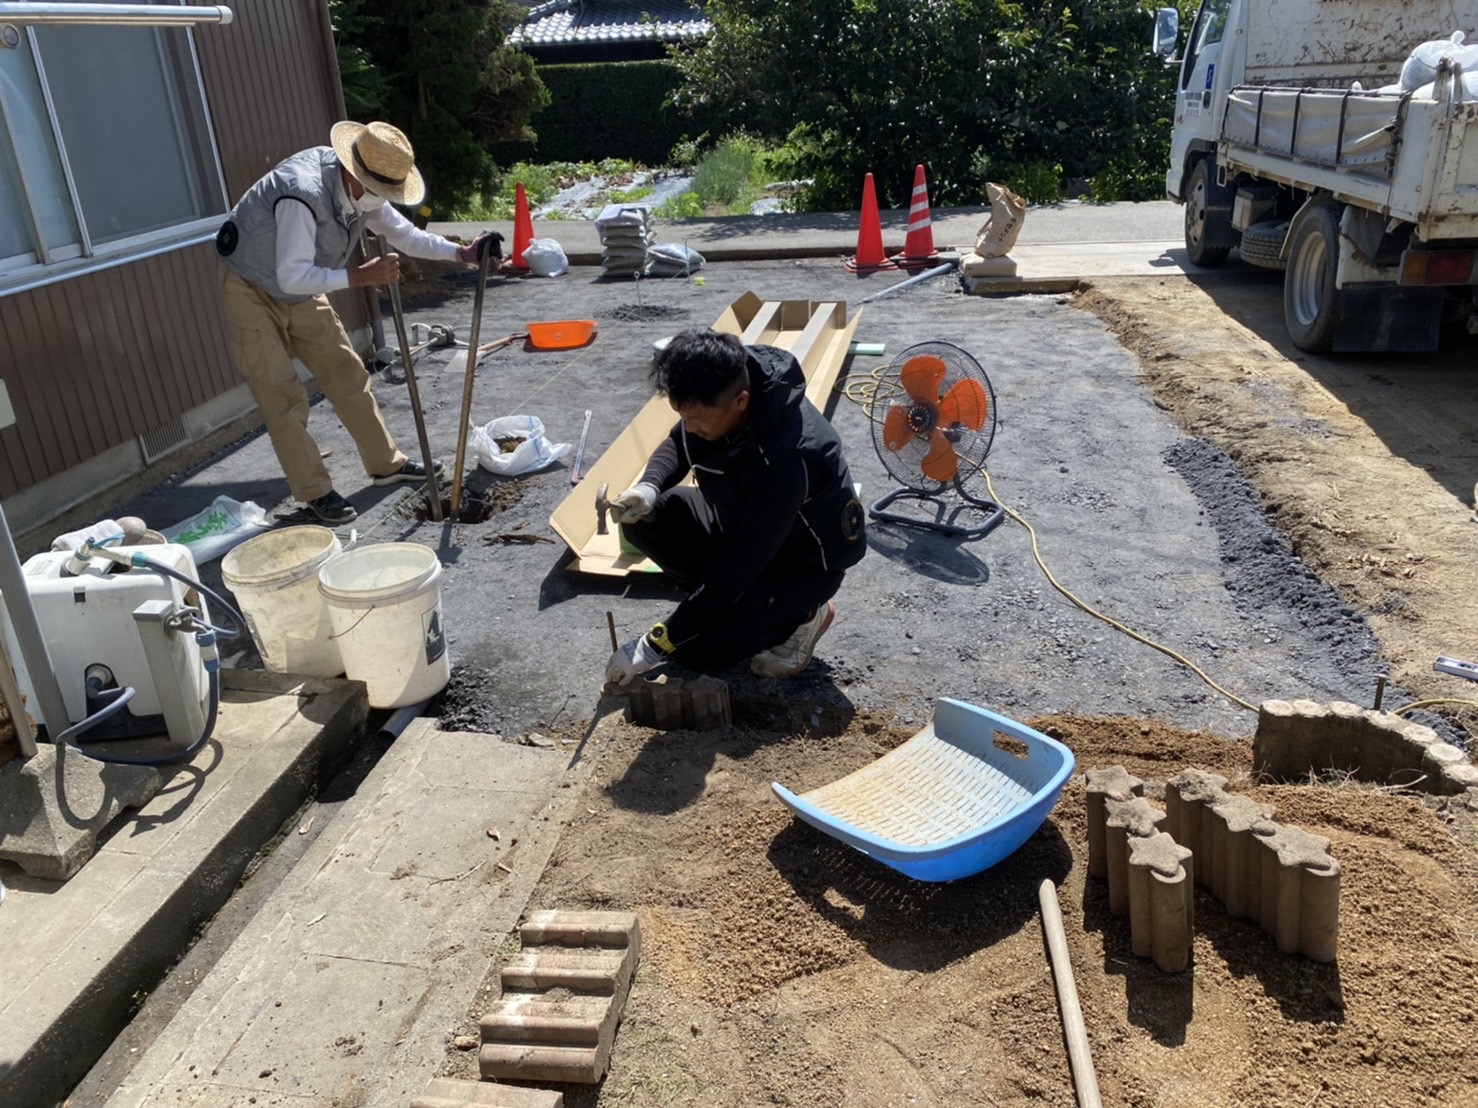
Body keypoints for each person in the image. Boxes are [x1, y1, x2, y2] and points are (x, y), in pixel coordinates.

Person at [215, 120, 499, 525]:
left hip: (298, 284)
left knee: (346, 373)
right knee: (281, 393)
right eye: (380, 193)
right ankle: (315, 492)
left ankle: (386, 464)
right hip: (251, 285)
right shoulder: (302, 194)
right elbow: (290, 275)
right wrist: (359, 277)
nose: (383, 202)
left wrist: (462, 254)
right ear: (353, 173)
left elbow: (405, 235)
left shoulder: (364, 191)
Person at [604, 328, 867, 684]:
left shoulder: (789, 458)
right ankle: (719, 610)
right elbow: (678, 443)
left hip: (800, 565)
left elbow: (736, 573)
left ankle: (803, 617)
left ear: (741, 401)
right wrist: (648, 488)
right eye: (683, 415)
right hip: (746, 526)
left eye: (697, 419)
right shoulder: (718, 387)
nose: (689, 426)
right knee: (650, 517)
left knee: (699, 653)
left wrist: (654, 645)